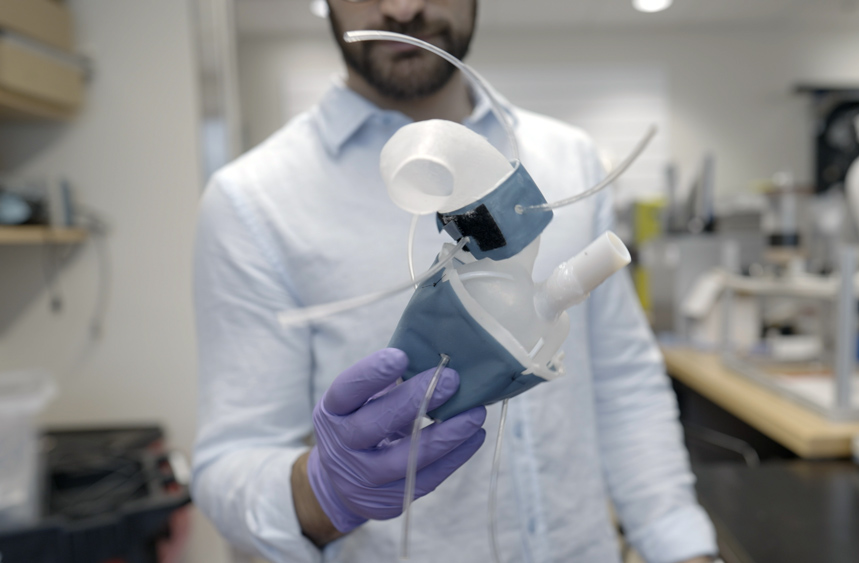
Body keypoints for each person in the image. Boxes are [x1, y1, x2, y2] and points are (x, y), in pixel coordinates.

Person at [191, 0, 718, 561]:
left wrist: (682, 546)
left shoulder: (569, 159)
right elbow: (230, 462)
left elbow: (623, 384)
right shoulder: (252, 201)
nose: (401, 6)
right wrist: (322, 491)